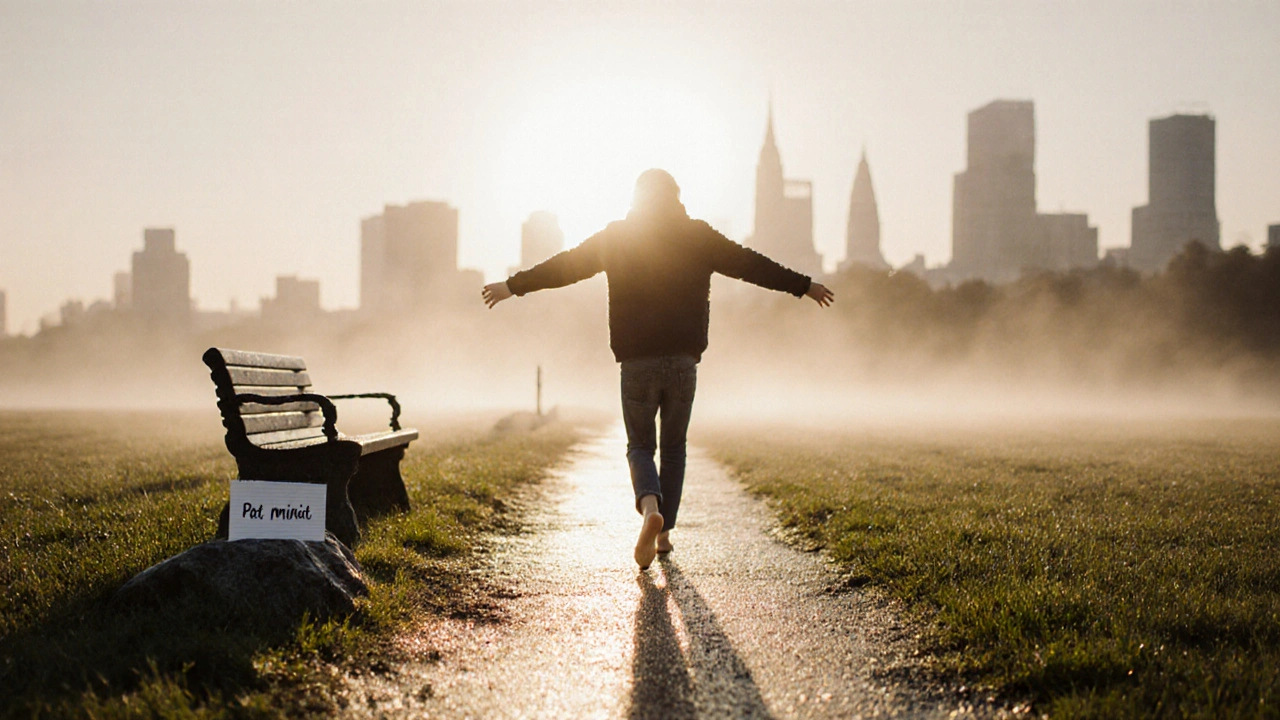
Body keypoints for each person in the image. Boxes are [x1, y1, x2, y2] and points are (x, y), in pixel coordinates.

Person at [483, 169, 834, 570]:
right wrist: (804, 286)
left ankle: (651, 508)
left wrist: (512, 286)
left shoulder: (617, 236)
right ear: (676, 197)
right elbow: (751, 265)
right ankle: (663, 535)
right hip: (683, 360)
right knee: (674, 449)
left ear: (637, 197)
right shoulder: (698, 235)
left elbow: (566, 266)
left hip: (636, 361)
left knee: (640, 446)